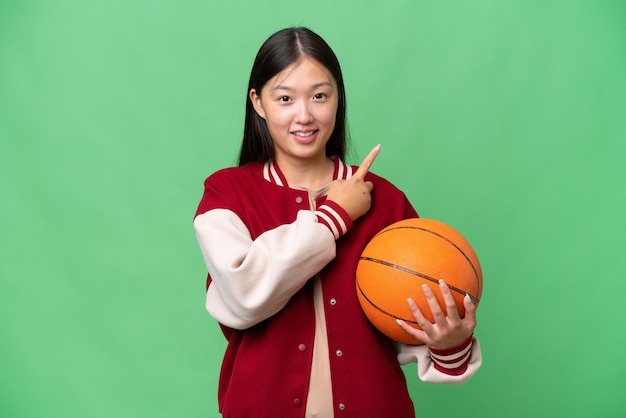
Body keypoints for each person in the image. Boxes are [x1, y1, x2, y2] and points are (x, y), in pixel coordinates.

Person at [194, 27, 482, 418]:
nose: (304, 115)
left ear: (337, 99)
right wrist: (336, 215)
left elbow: (414, 332)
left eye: (319, 96)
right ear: (257, 102)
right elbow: (243, 296)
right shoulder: (226, 194)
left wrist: (451, 341)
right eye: (284, 98)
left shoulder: (387, 201)